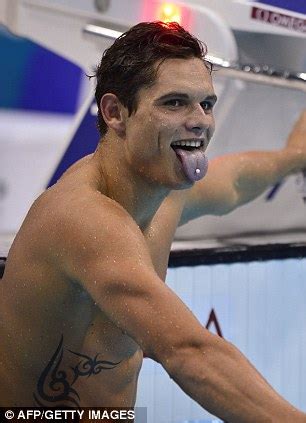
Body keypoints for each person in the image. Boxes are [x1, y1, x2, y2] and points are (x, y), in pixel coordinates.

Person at [0, 21, 306, 422]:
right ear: (114, 113)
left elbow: (235, 180)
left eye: (207, 104)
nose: (200, 121)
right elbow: (189, 352)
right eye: (174, 103)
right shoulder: (82, 218)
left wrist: (294, 156)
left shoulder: (163, 187)